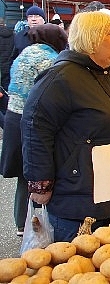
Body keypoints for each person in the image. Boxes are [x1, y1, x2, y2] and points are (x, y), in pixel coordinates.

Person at [22, 11, 110, 242]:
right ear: (91, 38)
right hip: (77, 199)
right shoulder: (60, 78)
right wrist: (41, 184)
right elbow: (35, 128)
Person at [0, 24, 67, 237]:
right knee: (40, 170)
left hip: (13, 118)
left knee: (24, 173)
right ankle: (41, 223)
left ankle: (21, 222)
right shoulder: (49, 59)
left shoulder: (26, 53)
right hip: (33, 121)